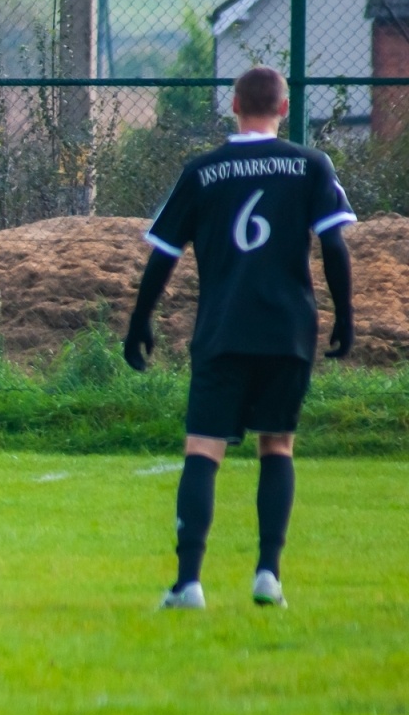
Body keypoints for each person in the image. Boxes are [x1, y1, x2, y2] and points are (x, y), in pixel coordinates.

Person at [124, 66, 355, 610]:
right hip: (289, 330)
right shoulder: (311, 164)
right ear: (283, 108)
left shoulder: (203, 171)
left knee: (203, 448)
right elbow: (335, 246)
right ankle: (268, 575)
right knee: (277, 444)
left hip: (223, 328)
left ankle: (188, 584)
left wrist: (140, 321)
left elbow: (164, 254)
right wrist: (345, 316)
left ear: (233, 106)